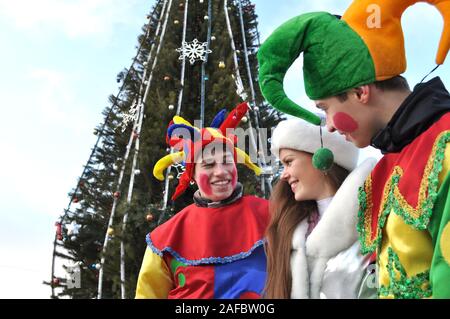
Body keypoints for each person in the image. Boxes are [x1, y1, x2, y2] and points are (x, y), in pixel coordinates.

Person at [257, 0, 450, 298]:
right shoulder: (388, 166)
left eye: (326, 108)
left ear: (360, 92)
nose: (330, 126)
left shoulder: (444, 145)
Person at [135, 102, 269, 299]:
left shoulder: (271, 214)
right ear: (193, 175)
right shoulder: (165, 239)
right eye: (208, 165)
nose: (221, 172)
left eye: (227, 161)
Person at [264, 118, 377, 299]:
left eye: (289, 162)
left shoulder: (374, 218)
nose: (283, 175)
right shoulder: (289, 230)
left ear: (322, 158)